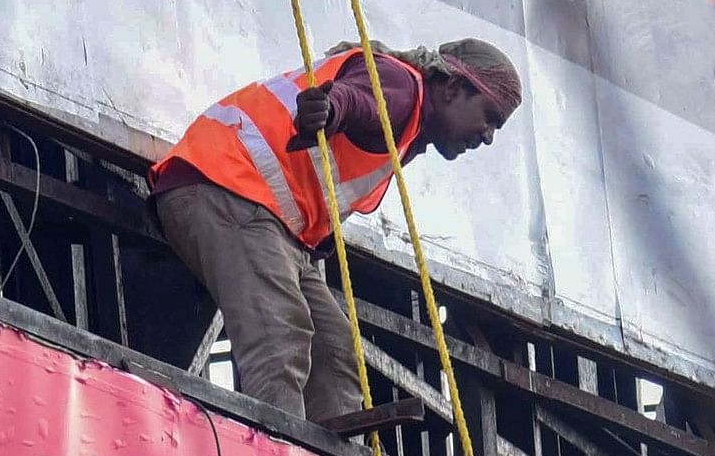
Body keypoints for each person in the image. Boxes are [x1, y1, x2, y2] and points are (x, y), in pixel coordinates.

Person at [150, 38, 523, 428]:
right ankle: (285, 455)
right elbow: (360, 100)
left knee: (335, 349)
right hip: (224, 186)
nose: (488, 135)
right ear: (451, 89)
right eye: (490, 116)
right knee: (279, 335)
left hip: (263, 216)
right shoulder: (401, 88)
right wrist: (331, 109)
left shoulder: (407, 128)